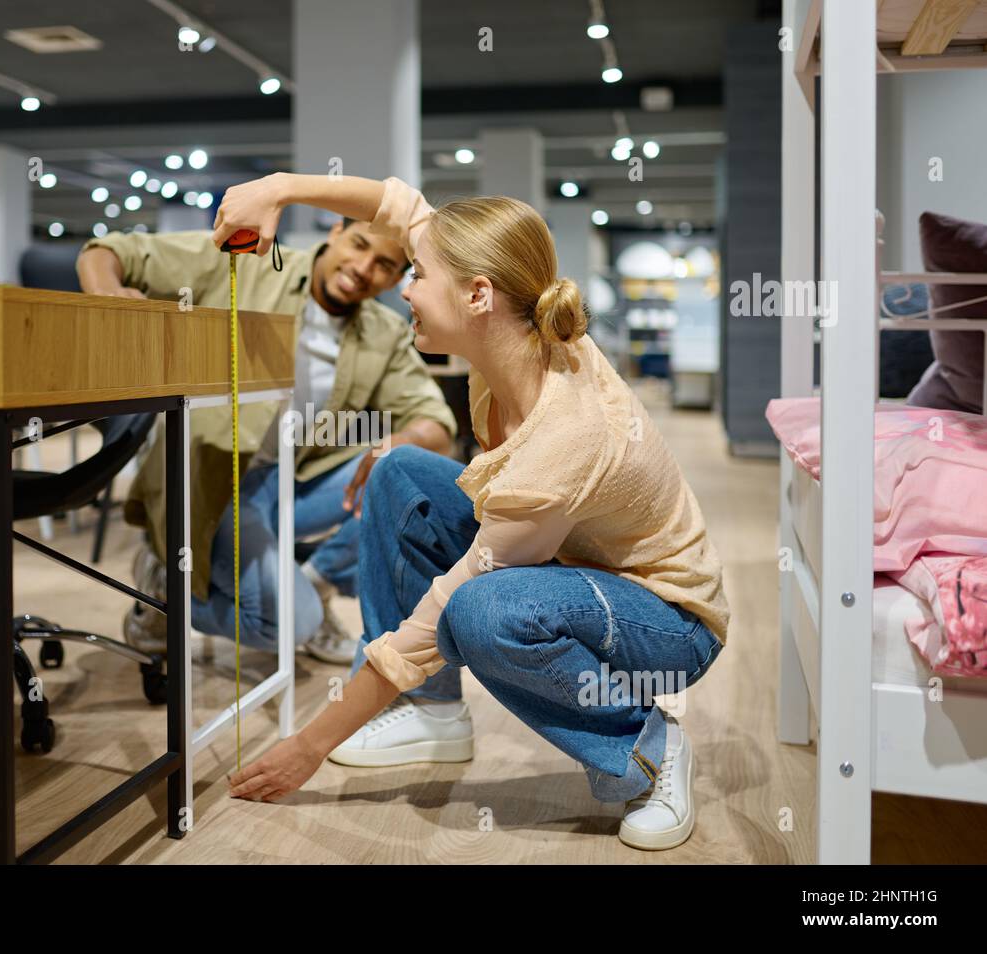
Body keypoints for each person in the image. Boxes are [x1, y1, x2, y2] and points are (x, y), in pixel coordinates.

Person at [215, 172, 730, 850]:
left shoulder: (563, 440)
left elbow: (430, 625)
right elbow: (394, 206)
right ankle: (432, 715)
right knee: (400, 472)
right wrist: (276, 189)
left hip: (663, 620)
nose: (403, 287)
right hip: (572, 565)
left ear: (477, 295)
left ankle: (648, 747)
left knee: (481, 612)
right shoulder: (508, 326)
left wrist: (307, 747)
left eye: (417, 275)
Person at [76, 216, 457, 664]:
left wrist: (394, 443)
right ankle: (164, 587)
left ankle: (316, 578)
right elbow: (108, 251)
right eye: (357, 245)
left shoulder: (383, 331)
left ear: (395, 279)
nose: (362, 267)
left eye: (383, 265)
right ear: (334, 233)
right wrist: (107, 295)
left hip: (296, 479)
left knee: (418, 479)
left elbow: (436, 423)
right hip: (222, 483)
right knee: (289, 625)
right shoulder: (248, 265)